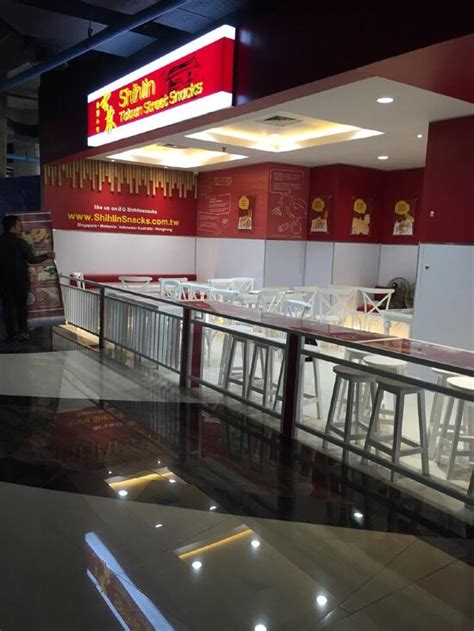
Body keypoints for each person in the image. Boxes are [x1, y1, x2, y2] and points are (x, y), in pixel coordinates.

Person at [0, 215, 55, 341]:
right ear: (13, 227)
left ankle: (11, 334)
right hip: (20, 281)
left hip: (3, 282)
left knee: (8, 308)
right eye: (19, 225)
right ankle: (22, 332)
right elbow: (32, 259)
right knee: (21, 307)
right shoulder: (20, 243)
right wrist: (47, 255)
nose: (21, 228)